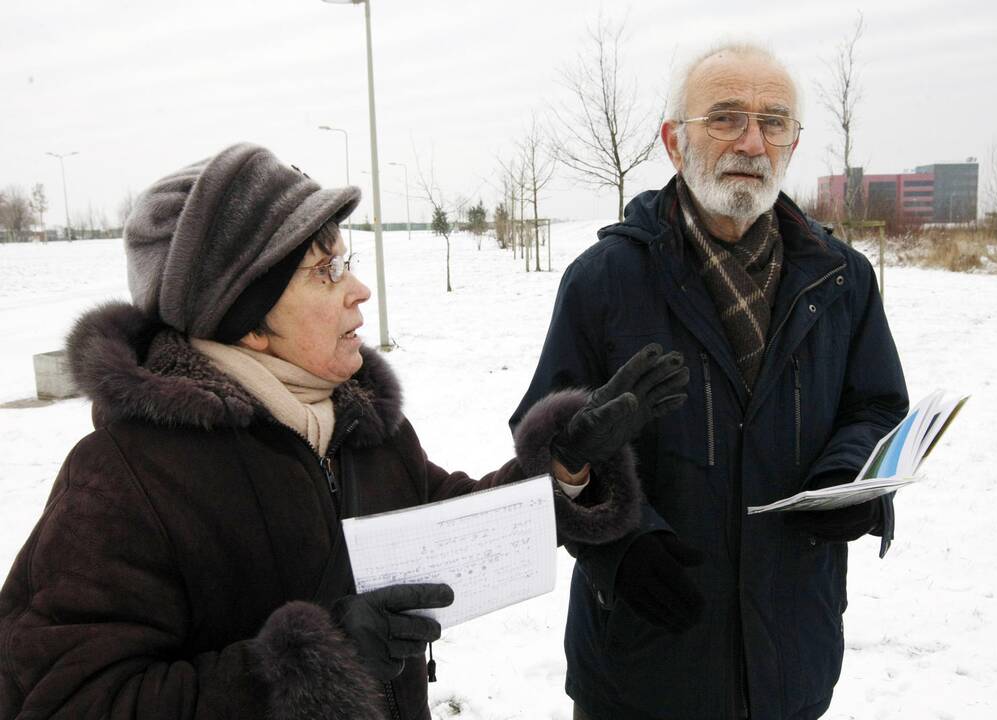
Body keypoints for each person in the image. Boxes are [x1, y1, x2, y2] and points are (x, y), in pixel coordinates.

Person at [0, 143, 689, 720]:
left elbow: (451, 537)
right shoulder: (126, 476)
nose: (358, 290)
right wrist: (301, 667)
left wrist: (564, 466)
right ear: (246, 319)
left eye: (346, 260)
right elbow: (64, 700)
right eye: (324, 270)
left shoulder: (363, 429)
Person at [512, 44, 909, 720]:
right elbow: (546, 447)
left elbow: (875, 407)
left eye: (773, 121)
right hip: (642, 657)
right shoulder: (605, 280)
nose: (752, 142)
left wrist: (849, 480)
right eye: (725, 118)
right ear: (673, 141)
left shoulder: (840, 278)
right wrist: (620, 544)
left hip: (790, 652)